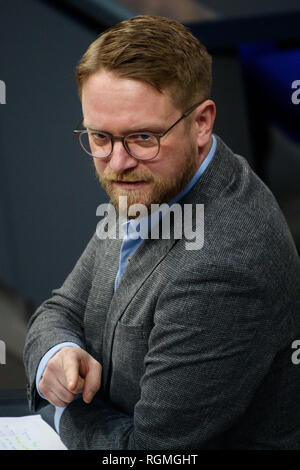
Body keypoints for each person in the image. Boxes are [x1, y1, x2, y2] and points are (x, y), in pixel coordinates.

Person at [23, 15, 300, 450]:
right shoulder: (153, 178)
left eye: (143, 136)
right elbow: (61, 308)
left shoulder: (222, 266)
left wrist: (61, 410)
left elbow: (148, 454)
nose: (117, 163)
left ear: (202, 123)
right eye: (99, 137)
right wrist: (54, 357)